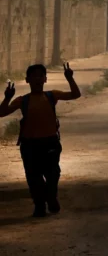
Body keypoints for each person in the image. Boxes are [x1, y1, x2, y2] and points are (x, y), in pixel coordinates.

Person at [0, 63, 81, 217]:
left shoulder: (52, 96)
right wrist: (7, 98)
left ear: (45, 79)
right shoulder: (22, 100)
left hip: (50, 143)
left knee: (52, 174)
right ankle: (39, 206)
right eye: (33, 76)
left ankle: (50, 198)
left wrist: (70, 79)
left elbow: (75, 94)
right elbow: (2, 113)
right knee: (33, 177)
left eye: (40, 75)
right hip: (30, 145)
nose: (37, 78)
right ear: (27, 80)